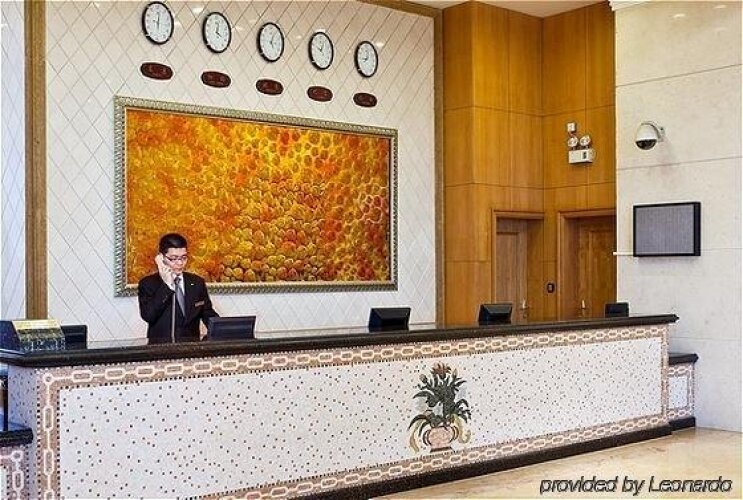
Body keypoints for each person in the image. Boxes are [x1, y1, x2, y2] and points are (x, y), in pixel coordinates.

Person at [138, 233, 218, 342]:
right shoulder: (148, 284)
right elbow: (148, 316)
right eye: (173, 258)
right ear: (161, 258)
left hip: (191, 348)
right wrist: (167, 285)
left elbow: (208, 315)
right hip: (161, 349)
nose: (180, 263)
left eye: (183, 258)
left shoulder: (197, 282)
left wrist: (224, 331)